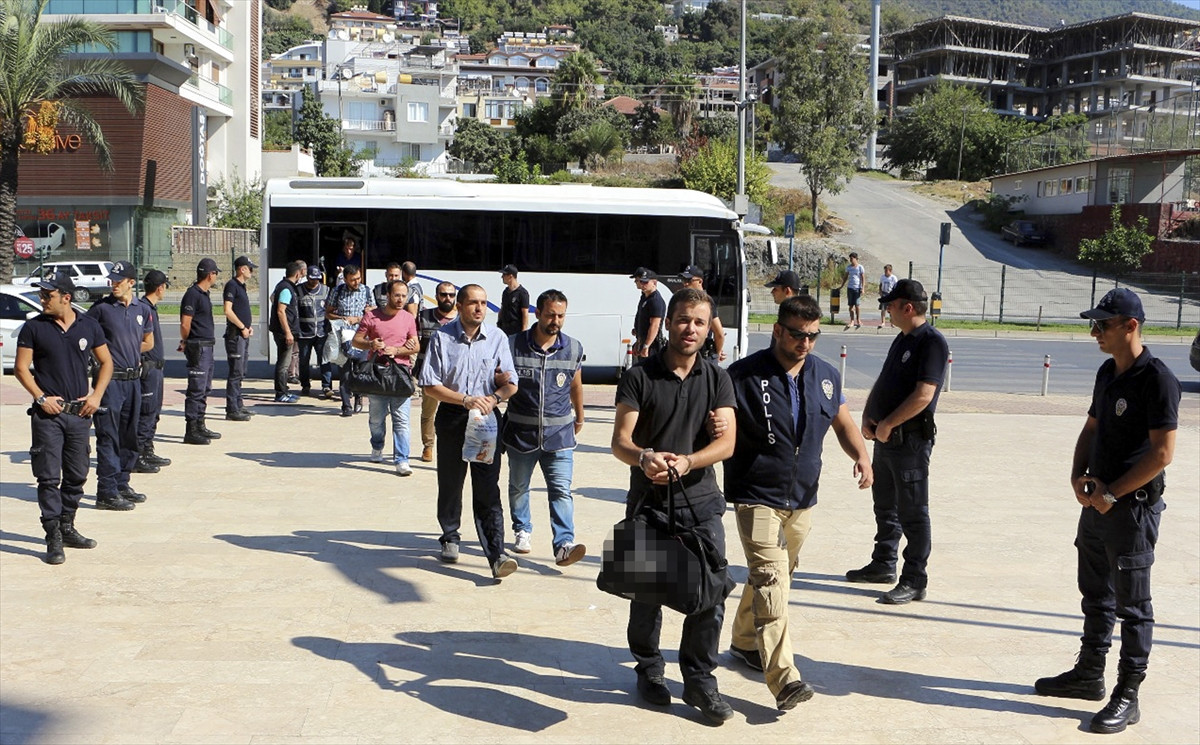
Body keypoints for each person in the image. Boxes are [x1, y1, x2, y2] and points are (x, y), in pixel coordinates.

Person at [1034, 289, 1180, 735]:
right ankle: (1089, 674)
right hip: (1098, 504)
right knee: (1096, 593)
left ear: (1130, 326)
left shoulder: (1157, 379)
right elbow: (1092, 427)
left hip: (1131, 510)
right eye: (1093, 324)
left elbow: (1162, 454)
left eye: (1103, 324)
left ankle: (1128, 693)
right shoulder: (1107, 372)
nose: (1094, 332)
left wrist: (1113, 494)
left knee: (1133, 606)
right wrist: (1077, 475)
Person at [723, 295, 873, 710]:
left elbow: (842, 421)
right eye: (797, 335)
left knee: (773, 574)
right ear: (777, 330)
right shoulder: (743, 375)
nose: (805, 343)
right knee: (773, 582)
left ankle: (743, 640)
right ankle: (784, 679)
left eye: (813, 336)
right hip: (756, 494)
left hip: (803, 497)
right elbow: (719, 425)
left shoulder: (825, 375)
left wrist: (862, 455)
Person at [610, 287, 737, 724]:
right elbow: (620, 442)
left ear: (708, 329)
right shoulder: (639, 376)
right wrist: (644, 456)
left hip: (700, 503)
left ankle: (700, 680)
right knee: (646, 592)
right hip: (648, 503)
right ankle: (648, 669)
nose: (691, 329)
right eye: (683, 319)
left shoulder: (717, 379)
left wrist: (688, 462)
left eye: (700, 322)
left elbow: (727, 442)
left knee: (710, 593)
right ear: (668, 323)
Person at [848, 279, 948, 604]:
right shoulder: (902, 338)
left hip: (910, 441)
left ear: (907, 307)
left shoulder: (931, 342)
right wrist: (869, 414)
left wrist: (889, 423)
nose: (887, 310)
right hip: (886, 439)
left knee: (913, 512)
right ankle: (883, 564)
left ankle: (915, 579)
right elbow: (884, 380)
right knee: (885, 505)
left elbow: (924, 395)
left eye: (890, 305)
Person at [418, 284, 519, 580]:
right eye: (473, 303)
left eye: (484, 303)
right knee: (451, 482)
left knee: (488, 486)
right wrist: (464, 400)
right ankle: (450, 534)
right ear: (459, 306)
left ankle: (497, 553)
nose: (479, 308)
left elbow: (511, 383)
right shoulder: (442, 338)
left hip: (486, 419)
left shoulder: (497, 338)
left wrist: (496, 397)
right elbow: (429, 384)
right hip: (453, 416)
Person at [14, 271, 113, 563]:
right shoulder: (34, 327)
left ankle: (67, 525)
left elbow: (106, 362)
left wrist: (96, 396)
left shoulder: (89, 326)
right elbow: (21, 368)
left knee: (77, 474)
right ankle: (52, 535)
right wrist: (40, 398)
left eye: (48, 295)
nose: (43, 299)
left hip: (79, 414)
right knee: (48, 477)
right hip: (48, 417)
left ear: (66, 298)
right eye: (42, 294)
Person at [503, 289, 587, 566]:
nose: (556, 321)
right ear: (537, 313)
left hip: (559, 436)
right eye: (551, 315)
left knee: (561, 490)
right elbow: (499, 380)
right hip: (521, 435)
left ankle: (564, 544)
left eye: (561, 316)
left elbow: (576, 385)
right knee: (518, 487)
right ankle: (522, 529)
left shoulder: (573, 348)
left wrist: (580, 417)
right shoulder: (513, 345)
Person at [87, 260, 154, 508]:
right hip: (110, 382)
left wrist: (129, 351)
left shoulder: (141, 309)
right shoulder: (101, 309)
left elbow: (148, 341)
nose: (113, 285)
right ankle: (106, 490)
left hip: (133, 380)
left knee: (129, 436)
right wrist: (104, 356)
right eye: (112, 280)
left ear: (131, 283)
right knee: (108, 436)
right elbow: (83, 337)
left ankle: (122, 483)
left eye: (119, 281)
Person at [353, 279, 420, 475]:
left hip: (400, 374)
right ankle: (377, 445)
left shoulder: (408, 318)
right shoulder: (372, 316)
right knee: (376, 419)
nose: (400, 300)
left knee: (401, 420)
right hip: (377, 375)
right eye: (397, 295)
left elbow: (415, 345)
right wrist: (371, 344)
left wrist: (397, 350)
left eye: (404, 296)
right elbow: (356, 341)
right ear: (388, 295)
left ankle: (402, 460)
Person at [179, 258, 222, 445]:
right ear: (210, 274)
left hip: (207, 345)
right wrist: (186, 341)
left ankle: (200, 424)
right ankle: (191, 429)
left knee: (205, 388)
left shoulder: (205, 294)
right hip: (198, 346)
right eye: (215, 273)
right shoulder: (193, 294)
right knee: (196, 389)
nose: (216, 276)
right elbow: (185, 323)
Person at [416, 281, 458, 462]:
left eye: (451, 295)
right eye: (443, 294)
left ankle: (453, 445)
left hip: (455, 375)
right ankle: (428, 446)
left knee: (455, 413)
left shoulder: (462, 319)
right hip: (431, 374)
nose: (447, 298)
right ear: (436, 296)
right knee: (428, 412)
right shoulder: (423, 316)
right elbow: (414, 341)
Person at [135, 270, 171, 473]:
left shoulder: (150, 308)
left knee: (154, 412)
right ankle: (138, 454)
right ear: (160, 288)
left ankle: (147, 449)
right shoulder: (143, 309)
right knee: (146, 412)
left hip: (156, 368)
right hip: (148, 368)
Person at [325, 265, 374, 417]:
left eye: (358, 278)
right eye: (353, 280)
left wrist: (359, 318)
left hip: (362, 336)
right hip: (343, 336)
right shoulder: (337, 291)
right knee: (345, 372)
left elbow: (373, 313)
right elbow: (328, 313)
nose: (356, 282)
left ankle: (358, 397)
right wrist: (343, 318)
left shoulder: (366, 291)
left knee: (360, 370)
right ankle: (346, 405)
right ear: (345, 279)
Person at [222, 255, 256, 421]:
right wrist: (242, 327)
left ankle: (239, 404)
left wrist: (248, 326)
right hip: (236, 335)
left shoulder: (242, 287)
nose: (252, 272)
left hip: (243, 334)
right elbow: (227, 310)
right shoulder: (232, 285)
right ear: (242, 269)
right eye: (250, 269)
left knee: (241, 371)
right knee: (235, 373)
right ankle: (232, 409)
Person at [270, 261, 304, 403]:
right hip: (284, 332)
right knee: (283, 364)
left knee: (284, 362)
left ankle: (284, 391)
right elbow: (281, 311)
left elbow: (272, 298)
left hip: (283, 330)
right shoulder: (286, 288)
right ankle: (281, 393)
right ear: (297, 274)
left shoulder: (283, 286)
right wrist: (288, 332)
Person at [297, 264, 332, 398]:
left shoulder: (326, 290)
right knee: (304, 361)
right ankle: (305, 385)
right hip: (304, 333)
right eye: (312, 279)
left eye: (317, 279)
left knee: (324, 360)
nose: (315, 281)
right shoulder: (299, 290)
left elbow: (329, 308)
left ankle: (327, 386)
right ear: (307, 277)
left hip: (321, 332)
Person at [679, 265, 726, 361]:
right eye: (683, 280)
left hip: (703, 354)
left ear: (700, 281)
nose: (685, 284)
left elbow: (719, 333)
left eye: (689, 280)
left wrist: (717, 353)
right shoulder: (686, 299)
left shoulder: (706, 302)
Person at [630, 267, 665, 359]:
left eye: (645, 282)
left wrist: (646, 346)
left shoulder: (655, 300)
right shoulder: (644, 297)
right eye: (641, 281)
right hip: (643, 341)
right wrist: (638, 340)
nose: (642, 284)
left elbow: (654, 325)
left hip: (652, 345)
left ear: (654, 283)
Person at [497, 264, 529, 336]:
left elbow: (525, 314)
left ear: (510, 276)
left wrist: (524, 331)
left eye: (504, 275)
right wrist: (499, 323)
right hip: (504, 329)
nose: (502, 277)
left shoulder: (522, 293)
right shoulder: (505, 292)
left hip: (516, 330)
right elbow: (502, 308)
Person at [841, 252, 865, 329]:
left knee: (857, 305)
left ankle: (858, 320)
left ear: (856, 259)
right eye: (850, 259)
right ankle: (852, 321)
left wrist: (862, 288)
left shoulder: (860, 267)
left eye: (852, 258)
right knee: (851, 306)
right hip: (850, 288)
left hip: (857, 288)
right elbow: (845, 277)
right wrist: (842, 286)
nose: (851, 260)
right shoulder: (849, 267)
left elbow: (863, 278)